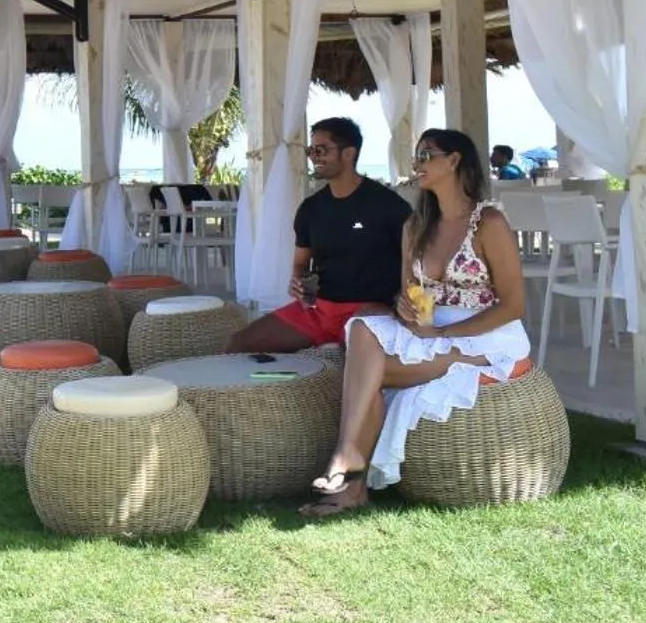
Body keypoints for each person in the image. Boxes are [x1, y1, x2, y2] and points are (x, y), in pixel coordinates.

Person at [303, 128, 531, 518]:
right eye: (416, 156)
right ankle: (349, 466)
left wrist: (442, 332)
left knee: (367, 375)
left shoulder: (487, 223)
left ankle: (348, 474)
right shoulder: (415, 226)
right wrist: (405, 308)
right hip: (428, 331)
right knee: (362, 326)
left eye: (426, 155)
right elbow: (409, 292)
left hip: (485, 335)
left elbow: (513, 305)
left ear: (455, 161)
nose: (417, 164)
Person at [227, 117, 410, 353]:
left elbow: (414, 262)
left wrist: (399, 306)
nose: (314, 156)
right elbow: (301, 263)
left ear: (349, 153)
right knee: (238, 344)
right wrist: (298, 282)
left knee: (352, 365)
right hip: (318, 311)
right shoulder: (310, 209)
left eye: (321, 150)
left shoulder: (388, 205)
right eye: (310, 150)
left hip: (369, 312)